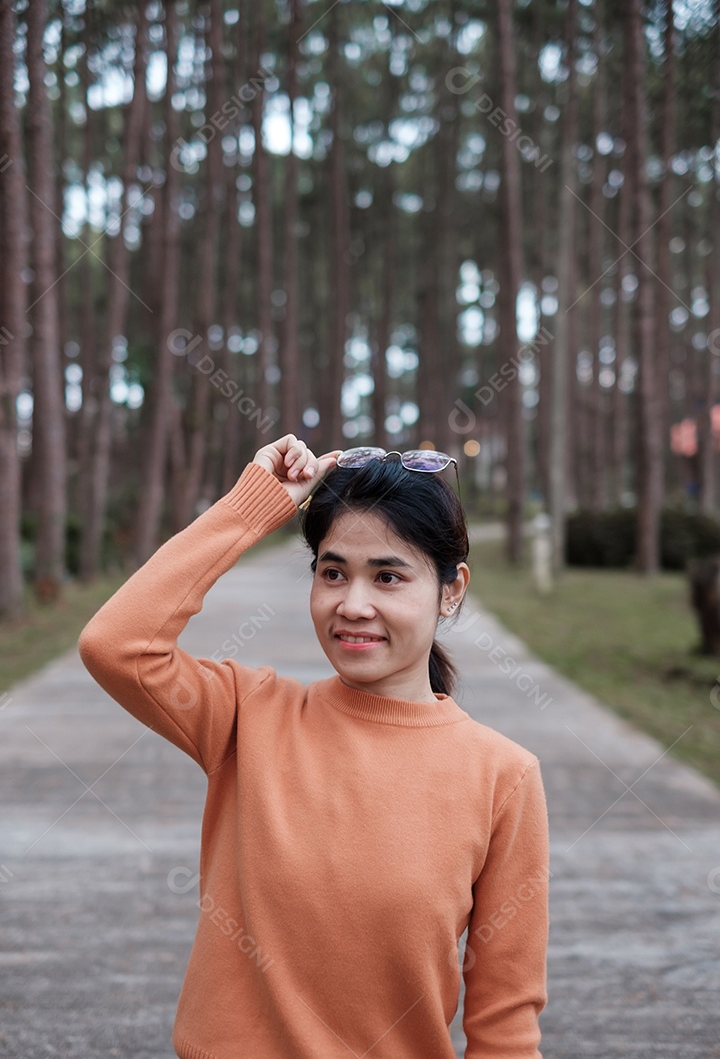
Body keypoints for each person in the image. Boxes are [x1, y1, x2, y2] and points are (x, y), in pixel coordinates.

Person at [78, 432, 550, 1059]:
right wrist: (255, 507)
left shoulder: (503, 777)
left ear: (450, 589)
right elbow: (117, 644)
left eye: (388, 576)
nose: (353, 605)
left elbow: (505, 1023)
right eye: (333, 572)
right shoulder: (248, 717)